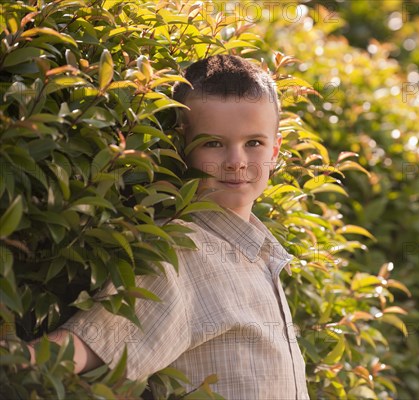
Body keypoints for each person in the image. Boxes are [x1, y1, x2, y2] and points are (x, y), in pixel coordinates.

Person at [23, 54, 310, 399]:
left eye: (254, 143)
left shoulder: (262, 256)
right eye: (214, 143)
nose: (236, 162)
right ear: (183, 147)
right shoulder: (179, 248)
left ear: (275, 149)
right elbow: (91, 341)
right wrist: (17, 361)